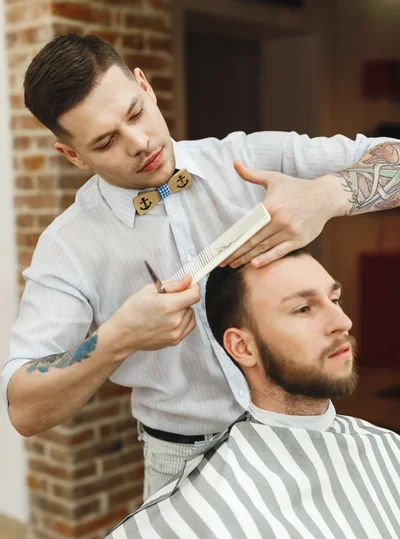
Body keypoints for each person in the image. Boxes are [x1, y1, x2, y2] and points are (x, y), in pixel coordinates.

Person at [2, 34, 400, 498]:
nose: (140, 142)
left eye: (135, 113)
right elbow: (24, 409)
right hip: (181, 464)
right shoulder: (68, 245)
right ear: (72, 155)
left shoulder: (247, 158)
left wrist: (328, 196)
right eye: (107, 141)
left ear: (145, 85)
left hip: (308, 434)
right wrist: (119, 337)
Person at [74, 248, 400, 539]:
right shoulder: (197, 512)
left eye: (334, 298)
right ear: (242, 347)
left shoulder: (388, 448)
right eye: (303, 308)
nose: (342, 321)